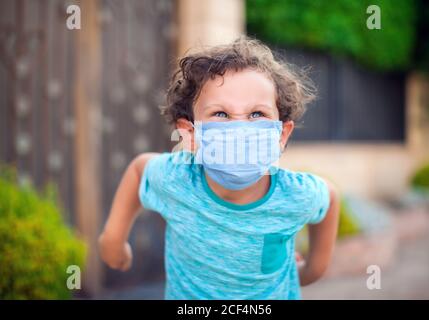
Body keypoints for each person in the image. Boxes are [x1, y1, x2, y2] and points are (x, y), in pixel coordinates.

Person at [98, 37, 340, 299]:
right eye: (221, 114)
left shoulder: (296, 195)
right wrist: (113, 238)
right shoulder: (177, 178)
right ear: (190, 134)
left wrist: (313, 268)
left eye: (257, 114)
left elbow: (329, 196)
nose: (241, 128)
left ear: (281, 134)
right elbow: (139, 170)